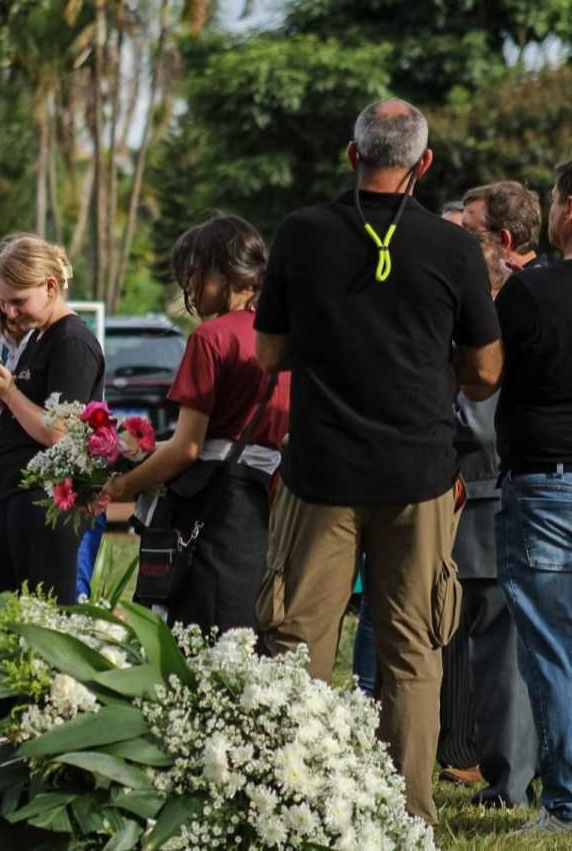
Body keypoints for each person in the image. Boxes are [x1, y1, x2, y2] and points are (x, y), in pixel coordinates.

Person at [253, 98, 503, 824]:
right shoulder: (455, 248)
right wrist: (429, 365)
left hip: (321, 476)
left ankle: (292, 811)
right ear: (423, 163)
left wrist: (334, 351)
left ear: (350, 154)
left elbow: (270, 353)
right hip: (420, 477)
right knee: (414, 652)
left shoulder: (301, 234)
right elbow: (486, 370)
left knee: (298, 647)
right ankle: (404, 820)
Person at [104, 216, 289, 633]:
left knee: (195, 633)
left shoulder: (210, 338)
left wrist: (123, 486)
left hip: (212, 507)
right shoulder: (283, 335)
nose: (186, 288)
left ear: (221, 271)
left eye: (192, 274)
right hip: (261, 507)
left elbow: (188, 447)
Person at [493, 159, 572, 835]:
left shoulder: (531, 294)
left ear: (568, 211)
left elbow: (482, 371)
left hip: (545, 483)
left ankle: (565, 801)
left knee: (550, 648)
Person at [445, 228, 536, 806]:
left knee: (500, 658)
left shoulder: (492, 333)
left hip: (483, 503)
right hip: (486, 502)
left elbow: (479, 424)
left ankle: (510, 784)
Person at [0, 234, 104, 606]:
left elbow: (60, 432)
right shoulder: (37, 338)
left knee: (46, 620)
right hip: (16, 496)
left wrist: (8, 392)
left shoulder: (72, 342)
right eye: (3, 303)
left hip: (49, 505)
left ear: (49, 287)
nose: (11, 313)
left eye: (18, 302)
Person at [463, 181, 546, 272]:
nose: (458, 239)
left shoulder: (526, 284)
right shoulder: (542, 280)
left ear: (504, 240)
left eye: (469, 232)